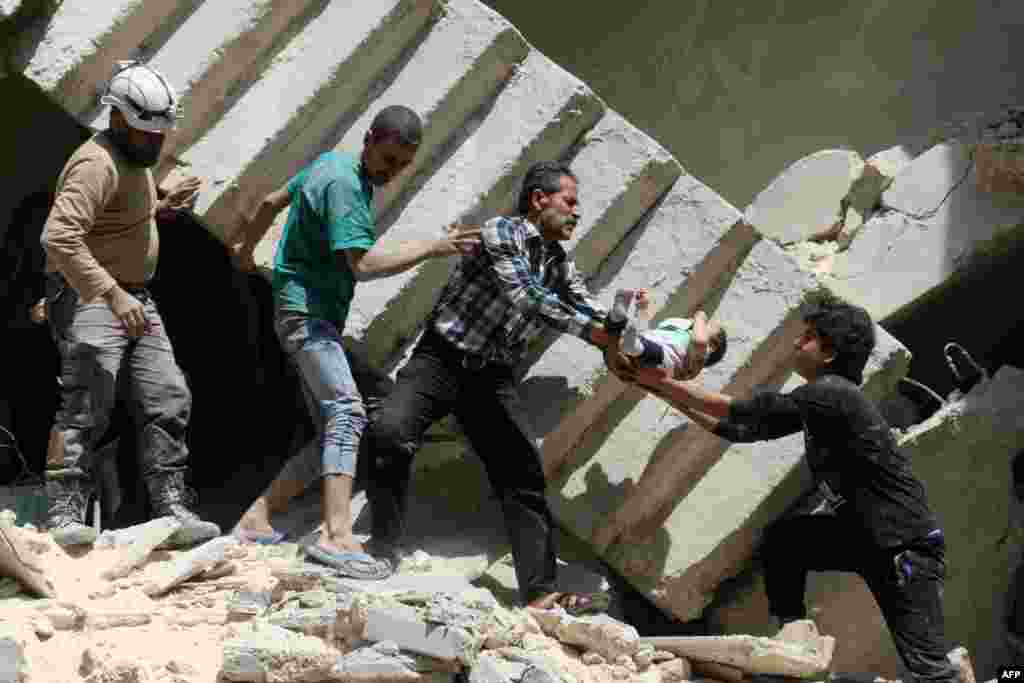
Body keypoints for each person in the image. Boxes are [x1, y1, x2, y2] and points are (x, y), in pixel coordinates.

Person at [629, 297, 958, 683]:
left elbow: (740, 411)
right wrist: (662, 391)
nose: (796, 344)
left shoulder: (833, 393)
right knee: (787, 542)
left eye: (808, 337)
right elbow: (739, 430)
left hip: (903, 548)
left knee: (930, 671)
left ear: (830, 352)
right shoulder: (821, 403)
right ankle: (795, 635)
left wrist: (663, 381)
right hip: (860, 537)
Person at [228, 105, 480, 579]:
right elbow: (361, 265)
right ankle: (337, 534)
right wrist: (433, 246)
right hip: (310, 319)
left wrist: (244, 253)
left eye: (402, 165)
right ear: (369, 139)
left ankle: (256, 518)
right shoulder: (346, 187)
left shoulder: (330, 163)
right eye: (388, 160)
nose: (392, 172)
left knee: (332, 430)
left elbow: (268, 202)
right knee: (348, 411)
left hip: (302, 315)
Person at [365, 160, 627, 610]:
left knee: (523, 477)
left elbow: (584, 303)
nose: (576, 213)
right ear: (538, 199)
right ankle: (382, 550)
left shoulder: (557, 261)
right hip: (441, 359)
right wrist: (595, 334)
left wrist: (622, 323)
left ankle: (540, 594)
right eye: (570, 202)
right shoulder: (502, 233)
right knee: (389, 434)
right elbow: (525, 296)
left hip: (491, 378)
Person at [40, 60, 216, 548]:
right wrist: (113, 294)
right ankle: (64, 512)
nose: (156, 144)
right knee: (88, 399)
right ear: (116, 119)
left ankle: (171, 507)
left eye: (161, 135)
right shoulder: (94, 164)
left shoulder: (134, 160)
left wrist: (163, 210)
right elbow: (59, 238)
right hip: (93, 295)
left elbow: (116, 223)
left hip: (134, 296)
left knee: (168, 395)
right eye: (146, 134)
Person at [605, 288, 727, 381]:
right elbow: (652, 334)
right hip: (646, 343)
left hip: (663, 358)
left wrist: (701, 316)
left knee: (645, 347)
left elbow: (699, 342)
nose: (699, 325)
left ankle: (622, 327)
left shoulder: (699, 357)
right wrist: (643, 308)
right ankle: (617, 316)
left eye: (706, 326)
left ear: (713, 345)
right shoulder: (680, 330)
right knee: (639, 336)